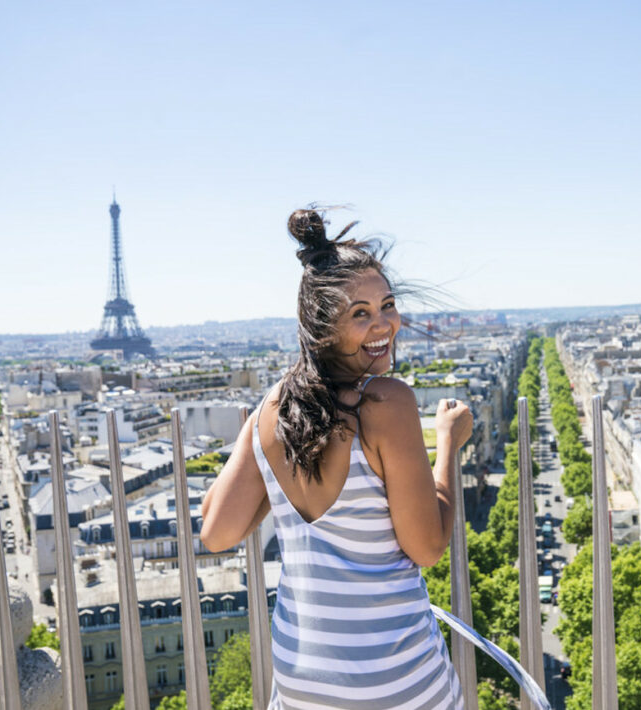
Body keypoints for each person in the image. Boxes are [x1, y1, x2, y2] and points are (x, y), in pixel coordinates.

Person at [200, 208, 472, 708]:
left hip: (302, 681)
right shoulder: (386, 402)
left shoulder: (273, 410)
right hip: (392, 677)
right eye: (360, 313)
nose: (384, 324)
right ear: (323, 326)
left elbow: (216, 531)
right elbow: (427, 547)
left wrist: (265, 455)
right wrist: (448, 446)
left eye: (387, 305)